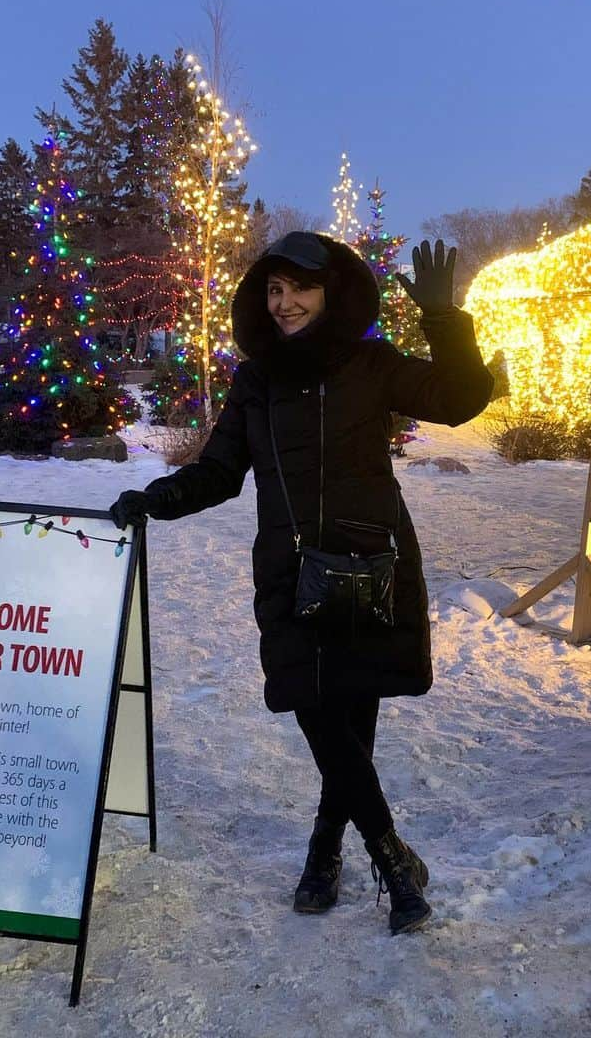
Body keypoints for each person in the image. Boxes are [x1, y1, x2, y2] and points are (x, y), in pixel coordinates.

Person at [110, 232, 493, 935]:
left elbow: (462, 397)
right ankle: (390, 858)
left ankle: (324, 849)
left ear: (331, 291)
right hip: (293, 575)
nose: (284, 303)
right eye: (274, 290)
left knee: (352, 716)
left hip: (372, 566)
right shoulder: (256, 379)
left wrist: (445, 318)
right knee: (320, 714)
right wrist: (154, 499)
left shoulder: (371, 363)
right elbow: (221, 472)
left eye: (299, 288)